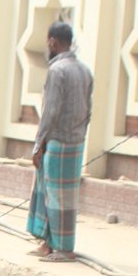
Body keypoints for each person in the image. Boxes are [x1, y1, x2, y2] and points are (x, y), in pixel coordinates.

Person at [27, 22, 94, 263]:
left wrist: (38, 144)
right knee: (50, 192)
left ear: (53, 42)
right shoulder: (85, 70)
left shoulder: (57, 71)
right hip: (75, 140)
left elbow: (50, 110)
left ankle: (64, 248)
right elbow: (89, 110)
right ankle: (48, 243)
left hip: (57, 140)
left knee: (56, 196)